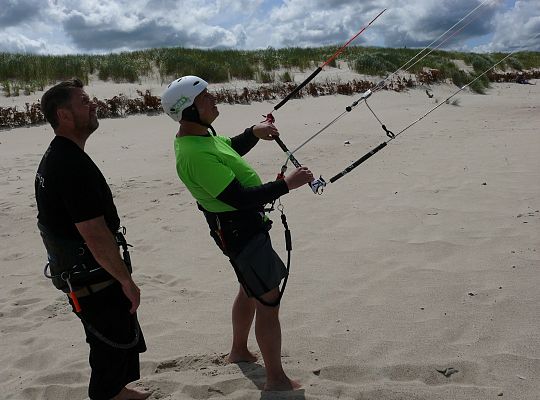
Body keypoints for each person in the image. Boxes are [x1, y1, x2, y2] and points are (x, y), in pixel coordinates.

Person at [162, 75, 313, 391]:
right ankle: (276, 379)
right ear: (188, 109)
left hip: (242, 229)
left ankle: (239, 351)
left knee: (249, 289)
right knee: (268, 301)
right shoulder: (193, 154)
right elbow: (238, 198)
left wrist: (253, 133)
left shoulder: (202, 137)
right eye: (206, 97)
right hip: (239, 232)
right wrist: (287, 184)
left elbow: (228, 147)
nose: (213, 100)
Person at [35, 78, 150, 400]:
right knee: (109, 344)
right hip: (89, 275)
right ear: (65, 115)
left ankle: (119, 391)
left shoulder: (62, 155)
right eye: (84, 101)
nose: (93, 104)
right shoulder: (68, 164)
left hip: (83, 272)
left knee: (117, 336)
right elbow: (94, 233)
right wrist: (126, 280)